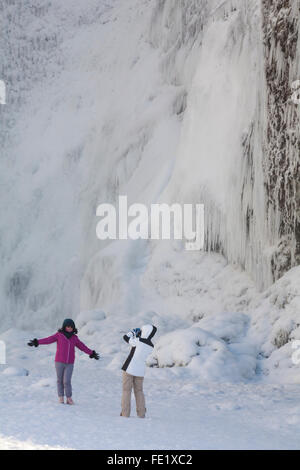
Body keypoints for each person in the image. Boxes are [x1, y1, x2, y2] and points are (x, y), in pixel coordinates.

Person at [28, 318, 99, 404]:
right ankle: (61, 397)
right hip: (59, 362)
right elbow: (48, 340)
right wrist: (37, 342)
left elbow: (82, 346)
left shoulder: (74, 338)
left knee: (67, 381)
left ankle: (69, 398)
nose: (69, 328)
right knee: (60, 380)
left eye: (71, 327)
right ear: (64, 327)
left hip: (70, 363)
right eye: (67, 326)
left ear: (73, 328)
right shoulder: (59, 335)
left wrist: (91, 353)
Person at [120, 324, 157, 418]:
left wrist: (132, 332)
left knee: (126, 391)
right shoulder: (151, 346)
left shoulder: (138, 341)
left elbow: (125, 338)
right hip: (140, 371)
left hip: (129, 368)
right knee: (139, 392)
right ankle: (141, 414)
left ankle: (125, 413)